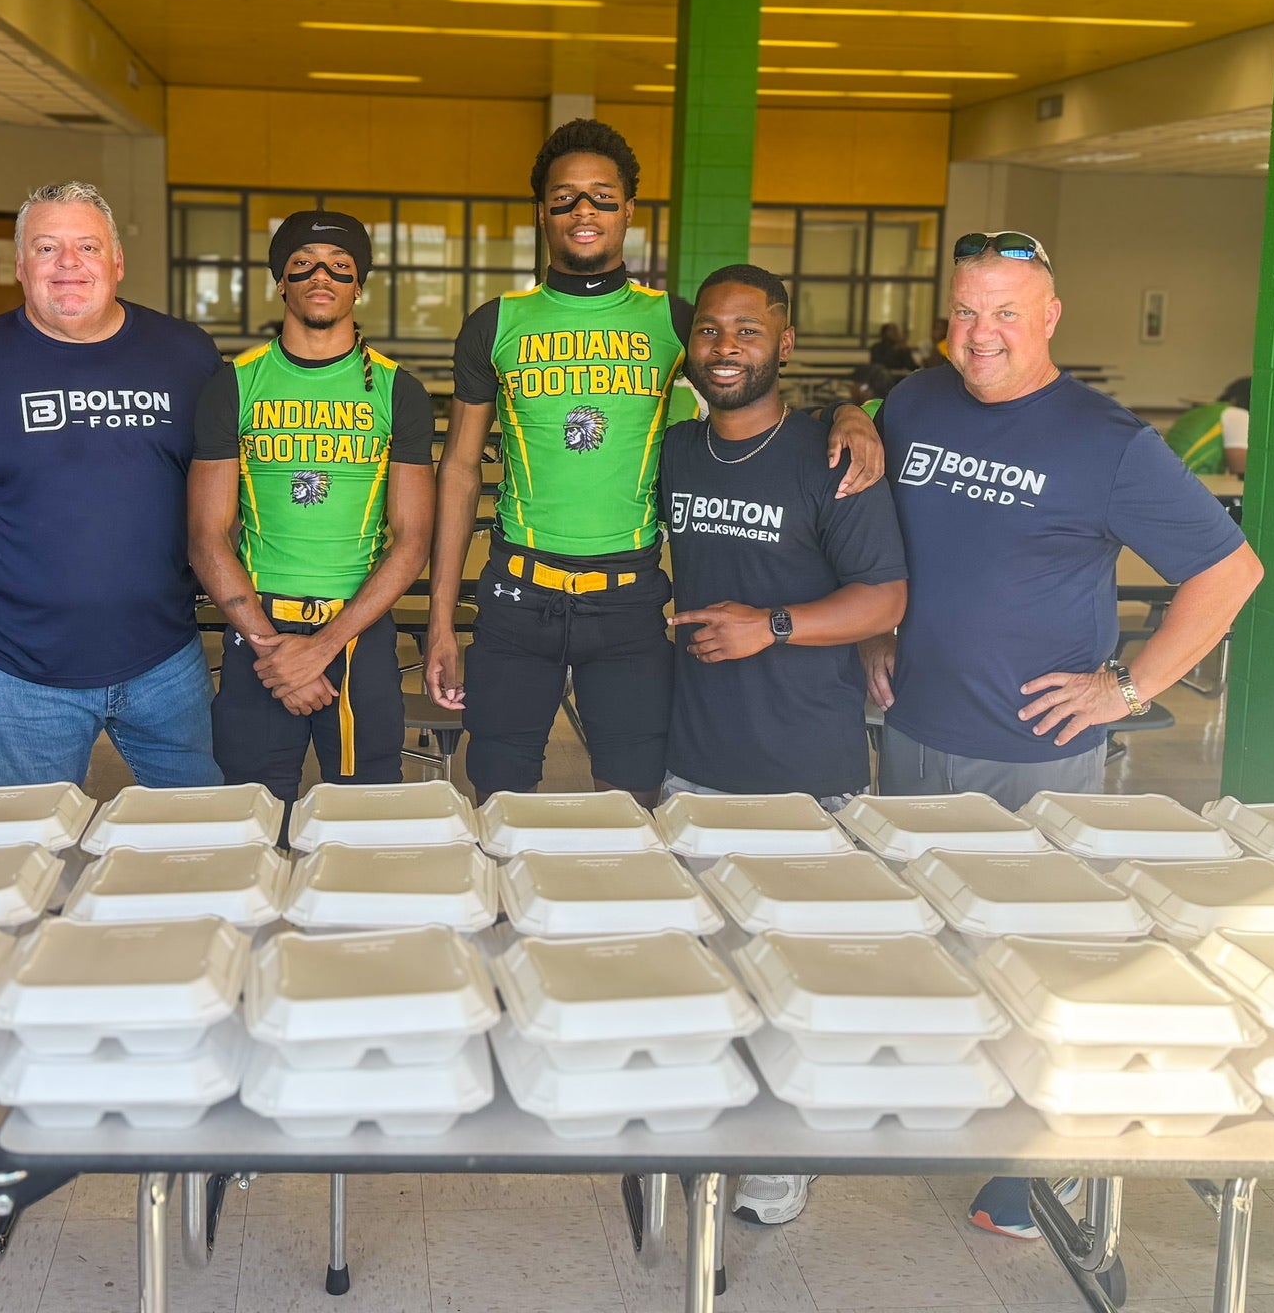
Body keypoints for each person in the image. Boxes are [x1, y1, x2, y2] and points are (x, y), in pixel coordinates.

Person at [859, 229, 1262, 1241]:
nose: (980, 333)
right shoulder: (913, 403)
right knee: (934, 936)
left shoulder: (1107, 442)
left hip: (1033, 747)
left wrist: (1127, 685)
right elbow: (887, 532)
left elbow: (1229, 573)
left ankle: (1041, 1165)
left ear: (1049, 318)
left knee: (1033, 955)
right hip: (913, 724)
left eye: (1005, 312)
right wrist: (876, 629)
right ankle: (962, 1114)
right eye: (964, 311)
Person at [425, 118, 883, 801]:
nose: (584, 211)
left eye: (602, 197)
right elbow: (460, 470)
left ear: (629, 210)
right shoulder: (495, 324)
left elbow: (747, 389)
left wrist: (843, 413)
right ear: (542, 211)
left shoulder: (672, 320)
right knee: (497, 792)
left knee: (632, 799)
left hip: (630, 601)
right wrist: (441, 620)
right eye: (565, 198)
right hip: (518, 596)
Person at [659, 264, 908, 1230]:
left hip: (809, 768)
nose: (726, 347)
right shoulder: (675, 451)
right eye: (710, 330)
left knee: (801, 975)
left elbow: (883, 597)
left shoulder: (833, 457)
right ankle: (717, 1129)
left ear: (785, 343)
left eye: (747, 330)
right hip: (695, 756)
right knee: (709, 966)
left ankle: (782, 1155)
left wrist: (770, 626)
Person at [0, 180, 223, 789]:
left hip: (167, 657)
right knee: (26, 836)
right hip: (20, 671)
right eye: (47, 248)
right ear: (20, 266)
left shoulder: (187, 356)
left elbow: (224, 489)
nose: (68, 264)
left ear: (117, 262)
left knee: (202, 830)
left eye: (88, 247)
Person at [189, 211, 434, 813]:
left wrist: (322, 647)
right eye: (303, 264)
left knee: (363, 818)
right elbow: (206, 537)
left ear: (358, 285)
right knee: (249, 817)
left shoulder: (399, 391)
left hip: (357, 637)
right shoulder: (234, 384)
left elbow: (411, 541)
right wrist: (272, 649)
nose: (321, 276)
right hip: (259, 633)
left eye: (339, 266)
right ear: (281, 281)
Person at [1166, 376, 1253, 476]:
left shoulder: (1200, 411)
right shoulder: (1236, 414)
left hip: (1169, 474)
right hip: (1191, 477)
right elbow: (1241, 468)